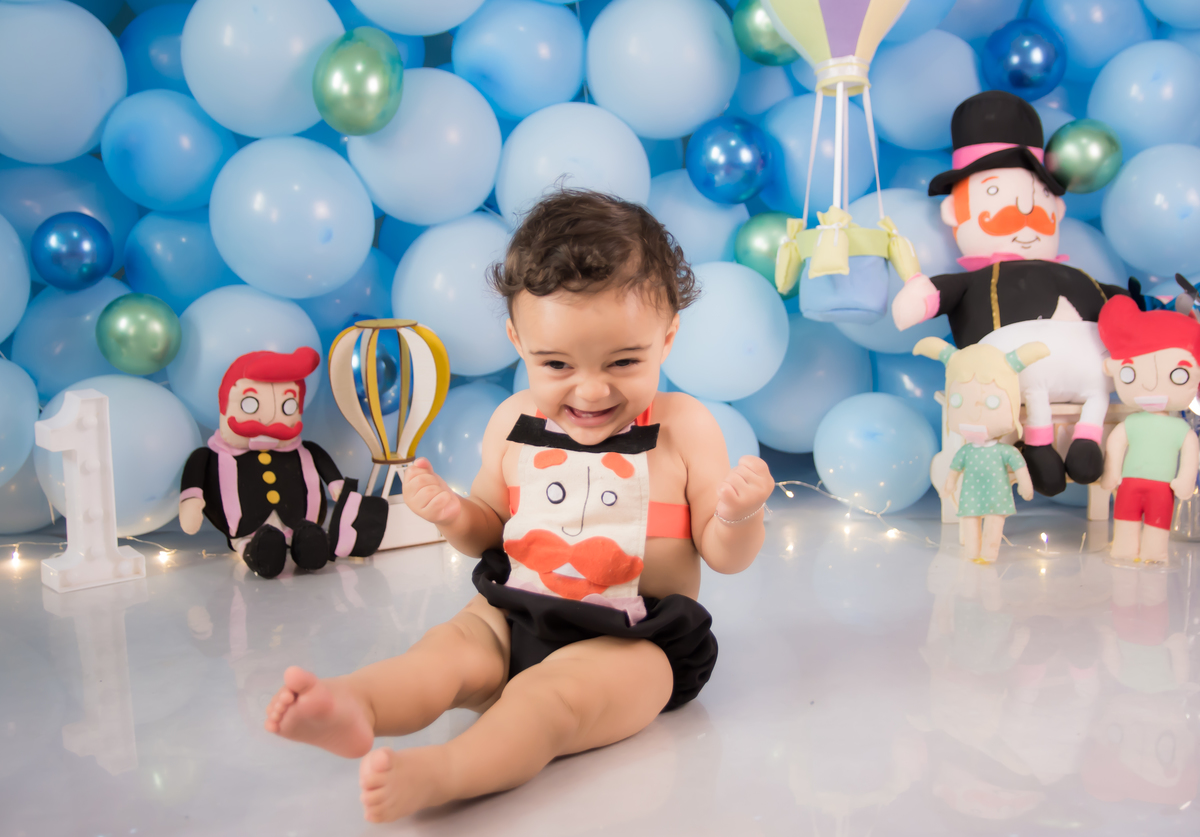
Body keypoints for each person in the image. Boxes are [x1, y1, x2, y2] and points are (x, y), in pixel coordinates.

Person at [262, 189, 776, 822]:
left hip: (633, 642)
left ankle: (447, 772)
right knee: (446, 651)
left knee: (549, 701)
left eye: (623, 361)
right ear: (517, 339)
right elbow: (488, 530)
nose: (591, 390)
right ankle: (355, 703)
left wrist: (738, 514)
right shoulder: (513, 422)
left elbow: (725, 556)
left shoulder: (683, 427)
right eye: (556, 364)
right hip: (514, 612)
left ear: (666, 338)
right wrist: (454, 514)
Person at [892, 91, 1133, 497]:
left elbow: (1124, 308)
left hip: (1093, 384)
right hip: (1007, 386)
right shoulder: (977, 282)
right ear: (954, 212)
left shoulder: (1080, 277)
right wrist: (921, 292)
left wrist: (1155, 311)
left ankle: (1083, 445)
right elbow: (932, 297)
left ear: (1057, 210)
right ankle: (1038, 449)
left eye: (1039, 197)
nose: (1025, 212)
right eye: (994, 193)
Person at [179, 347, 387, 578]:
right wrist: (191, 503)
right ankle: (256, 552)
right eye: (250, 404)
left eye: (288, 406)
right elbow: (194, 482)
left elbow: (328, 471)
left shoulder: (306, 450)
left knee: (309, 536)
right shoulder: (210, 456)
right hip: (246, 529)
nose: (269, 420)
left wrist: (338, 487)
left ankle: (309, 545)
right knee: (261, 546)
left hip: (298, 522)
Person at [914, 336, 1047, 562]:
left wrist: (1025, 486)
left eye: (993, 402)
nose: (975, 413)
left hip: (997, 495)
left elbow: (1019, 467)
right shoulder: (966, 452)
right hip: (971, 495)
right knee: (969, 520)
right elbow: (955, 469)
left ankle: (989, 553)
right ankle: (972, 552)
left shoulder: (1004, 451)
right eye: (957, 401)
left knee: (995, 521)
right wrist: (948, 485)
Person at [1098, 295, 1200, 563]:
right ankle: (1124, 551)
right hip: (1130, 484)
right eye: (1129, 374)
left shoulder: (1181, 429)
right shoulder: (1132, 423)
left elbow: (1191, 455)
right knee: (1125, 518)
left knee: (1158, 520)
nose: (1151, 386)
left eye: (1179, 375)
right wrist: (1112, 473)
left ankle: (1154, 555)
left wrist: (1185, 481)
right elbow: (1115, 446)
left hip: (1162, 488)